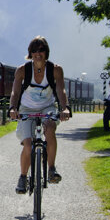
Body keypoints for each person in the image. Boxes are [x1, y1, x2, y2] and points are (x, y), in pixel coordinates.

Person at [8, 36, 71, 194]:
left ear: (46, 52)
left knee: (50, 129)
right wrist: (12, 108)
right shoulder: (22, 70)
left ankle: (51, 169)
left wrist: (65, 108)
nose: (38, 53)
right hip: (26, 109)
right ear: (30, 53)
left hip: (47, 107)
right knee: (28, 145)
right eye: (34, 50)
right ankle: (23, 177)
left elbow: (61, 90)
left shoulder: (55, 70)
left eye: (41, 50)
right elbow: (15, 92)